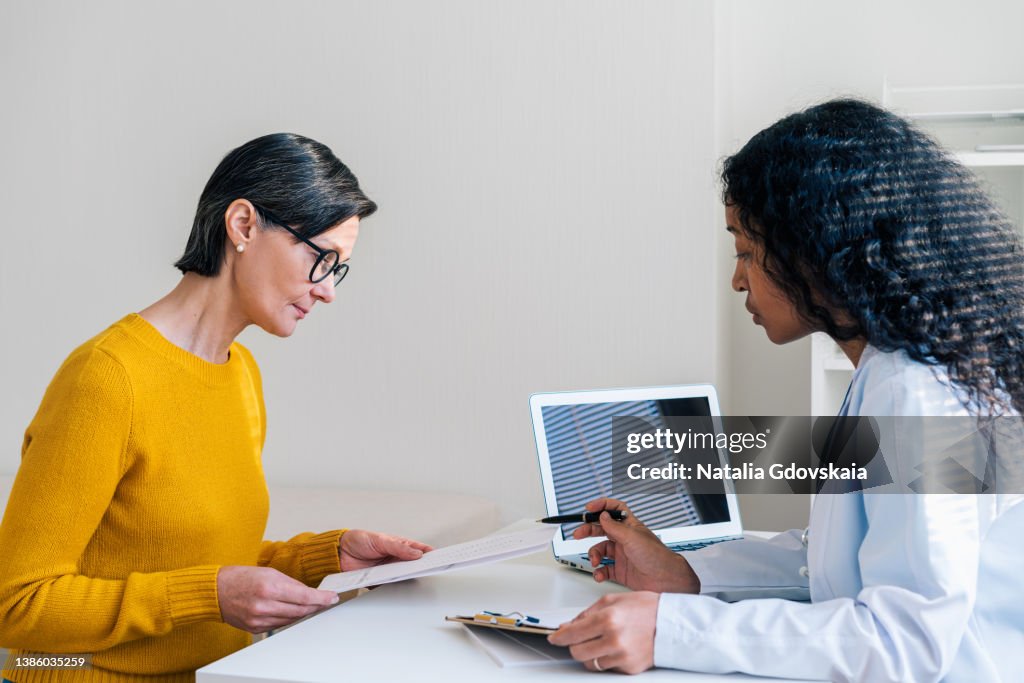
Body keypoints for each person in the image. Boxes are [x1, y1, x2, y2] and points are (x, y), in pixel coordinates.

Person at [548, 99, 1024, 681]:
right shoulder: (900, 371)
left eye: (746, 250)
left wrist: (669, 629)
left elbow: (906, 642)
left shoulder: (915, 392)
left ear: (816, 249)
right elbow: (837, 562)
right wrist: (686, 575)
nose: (737, 278)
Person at [0, 133, 432, 682]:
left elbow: (207, 561)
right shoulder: (108, 378)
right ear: (243, 225)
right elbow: (15, 605)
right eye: (321, 258)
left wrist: (329, 558)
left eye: (338, 268)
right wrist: (208, 595)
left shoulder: (240, 371)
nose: (328, 291)